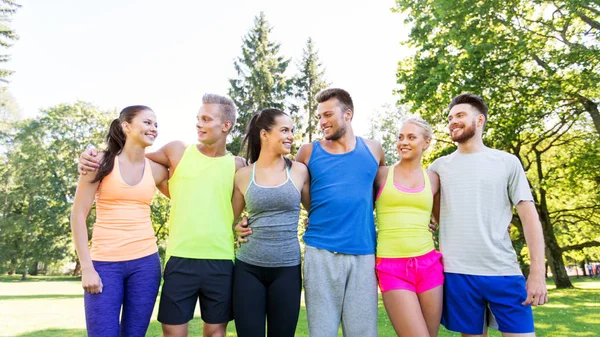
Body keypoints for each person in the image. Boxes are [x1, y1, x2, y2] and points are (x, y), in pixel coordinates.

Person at [78, 94, 245, 337]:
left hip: (212, 260)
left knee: (214, 332)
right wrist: (91, 157)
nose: (198, 123)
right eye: (198, 118)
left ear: (226, 125)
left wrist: (244, 223)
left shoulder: (238, 165)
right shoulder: (176, 152)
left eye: (206, 119)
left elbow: (237, 206)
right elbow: (131, 159)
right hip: (175, 258)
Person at [259, 88, 385, 337]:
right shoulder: (308, 152)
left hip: (363, 254)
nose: (322, 121)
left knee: (363, 332)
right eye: (319, 116)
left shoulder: (374, 150)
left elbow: (387, 191)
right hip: (321, 253)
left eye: (328, 114)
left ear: (348, 114)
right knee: (321, 332)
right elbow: (283, 187)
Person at [429, 93, 548, 336]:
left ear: (480, 120)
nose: (453, 121)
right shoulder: (438, 168)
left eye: (460, 115)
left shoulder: (507, 162)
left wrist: (537, 272)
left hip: (503, 271)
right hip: (458, 273)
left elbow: (529, 218)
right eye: (450, 117)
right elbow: (424, 206)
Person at [71, 105, 169, 337]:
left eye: (156, 124)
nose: (153, 128)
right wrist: (86, 267)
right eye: (147, 122)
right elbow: (77, 215)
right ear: (126, 126)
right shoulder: (99, 162)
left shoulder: (156, 170)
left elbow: (188, 191)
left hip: (145, 265)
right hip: (104, 264)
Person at [231, 108, 310, 337]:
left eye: (292, 130)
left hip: (287, 268)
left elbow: (316, 210)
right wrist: (235, 228)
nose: (291, 136)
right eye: (284, 130)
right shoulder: (244, 175)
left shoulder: (299, 171)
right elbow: (228, 218)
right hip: (248, 268)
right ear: (264, 134)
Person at [374, 116, 443, 337]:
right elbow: (355, 207)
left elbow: (444, 220)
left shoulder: (433, 179)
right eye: (401, 137)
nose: (403, 142)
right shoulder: (382, 174)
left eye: (411, 137)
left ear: (426, 142)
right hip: (391, 267)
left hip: (429, 264)